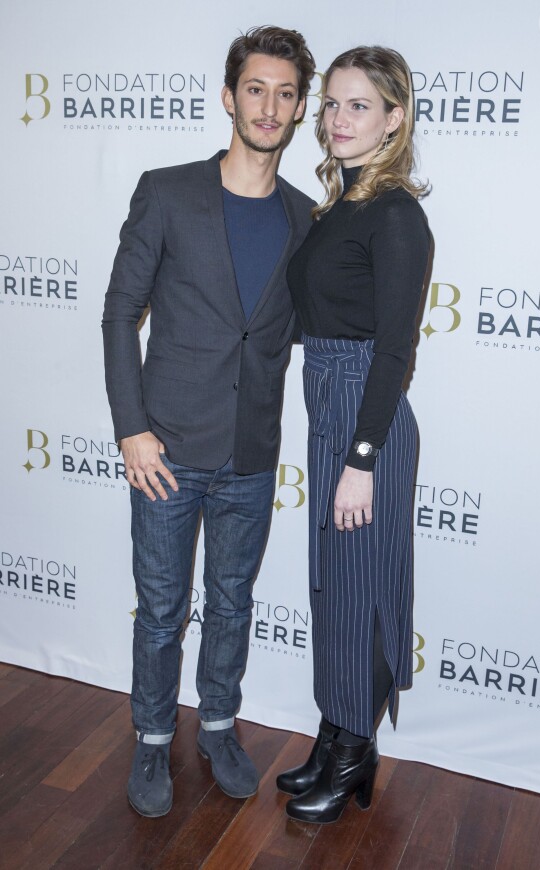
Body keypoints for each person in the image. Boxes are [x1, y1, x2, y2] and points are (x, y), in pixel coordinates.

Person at [102, 25, 315, 818]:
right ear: (230, 97)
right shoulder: (167, 190)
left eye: (286, 93)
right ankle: (152, 739)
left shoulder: (306, 216)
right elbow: (121, 311)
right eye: (255, 88)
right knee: (161, 609)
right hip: (166, 448)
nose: (269, 105)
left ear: (298, 110)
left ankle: (219, 725)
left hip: (253, 455)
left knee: (232, 603)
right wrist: (131, 428)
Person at [276, 45, 431, 824]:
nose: (338, 119)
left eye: (359, 105)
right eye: (331, 104)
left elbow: (396, 349)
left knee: (361, 590)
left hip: (366, 416)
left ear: (394, 118)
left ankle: (354, 753)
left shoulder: (397, 214)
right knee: (333, 587)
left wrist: (362, 458)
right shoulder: (335, 205)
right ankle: (336, 735)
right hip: (328, 404)